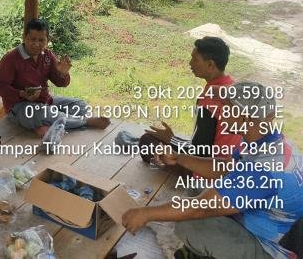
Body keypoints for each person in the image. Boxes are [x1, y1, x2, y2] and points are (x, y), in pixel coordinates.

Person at [122, 81, 303, 259]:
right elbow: (225, 168)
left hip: (270, 248)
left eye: (226, 107)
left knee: (189, 226)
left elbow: (202, 208)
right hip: (258, 216)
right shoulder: (262, 139)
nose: (220, 112)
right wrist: (179, 157)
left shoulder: (265, 167)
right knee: (194, 191)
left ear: (245, 118)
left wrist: (145, 213)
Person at [0, 18, 110, 151]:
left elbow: (61, 83)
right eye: (32, 39)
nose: (36, 44)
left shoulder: (47, 56)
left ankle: (48, 126)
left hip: (46, 101)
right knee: (40, 113)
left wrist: (63, 73)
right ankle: (84, 122)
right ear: (24, 38)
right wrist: (21, 94)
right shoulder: (11, 59)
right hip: (19, 107)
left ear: (47, 40)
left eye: (41, 40)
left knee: (80, 105)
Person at [139, 36, 241, 164]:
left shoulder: (210, 100)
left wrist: (172, 140)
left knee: (147, 141)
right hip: (234, 161)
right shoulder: (233, 86)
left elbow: (201, 152)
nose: (190, 63)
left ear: (210, 64)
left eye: (195, 59)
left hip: (211, 169)